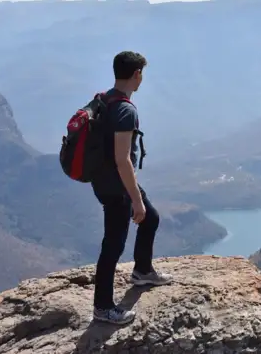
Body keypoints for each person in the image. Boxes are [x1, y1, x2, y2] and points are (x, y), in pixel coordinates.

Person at [91, 51, 172, 325]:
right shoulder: (125, 109)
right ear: (137, 74)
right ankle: (103, 308)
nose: (142, 79)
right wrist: (135, 199)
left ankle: (143, 271)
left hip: (102, 181)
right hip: (117, 187)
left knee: (151, 218)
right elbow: (123, 159)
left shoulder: (103, 98)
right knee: (112, 246)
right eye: (142, 74)